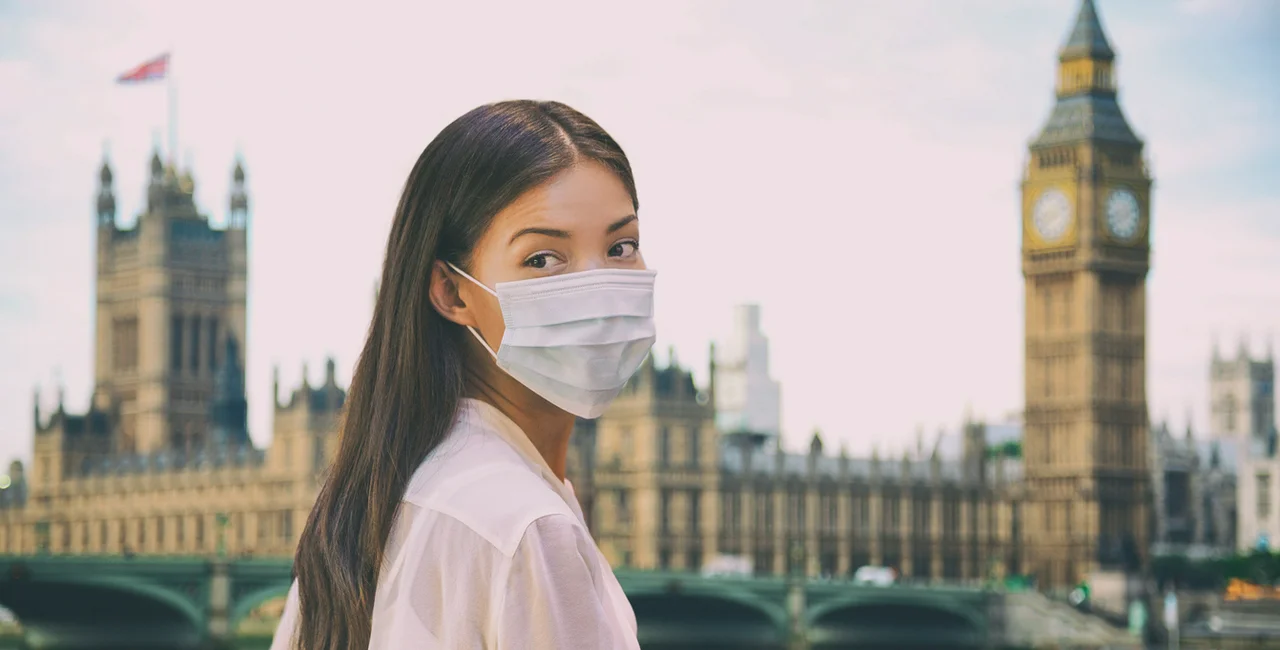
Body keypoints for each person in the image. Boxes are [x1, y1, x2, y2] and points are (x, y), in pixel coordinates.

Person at [270, 100, 654, 650]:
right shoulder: (527, 528)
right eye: (543, 259)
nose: (597, 291)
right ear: (451, 291)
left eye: (622, 246)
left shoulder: (358, 518)